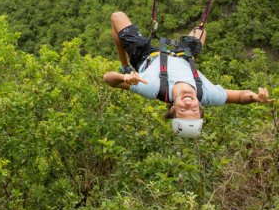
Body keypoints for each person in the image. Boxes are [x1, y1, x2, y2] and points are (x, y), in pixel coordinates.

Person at [103, 12, 274, 138]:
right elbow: (239, 97)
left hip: (147, 56)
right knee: (200, 32)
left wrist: (124, 77)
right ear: (200, 106)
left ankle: (125, 66)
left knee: (117, 17)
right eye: (193, 108)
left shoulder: (153, 89)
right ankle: (183, 44)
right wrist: (254, 97)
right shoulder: (206, 95)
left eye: (183, 109)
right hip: (183, 57)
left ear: (172, 108)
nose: (188, 103)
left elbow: (108, 79)